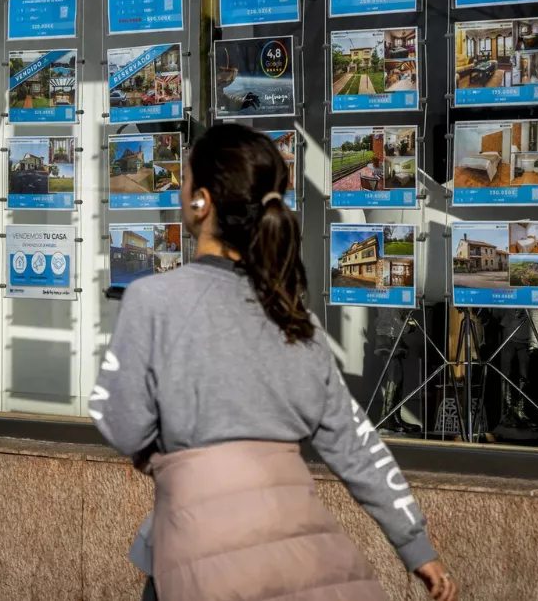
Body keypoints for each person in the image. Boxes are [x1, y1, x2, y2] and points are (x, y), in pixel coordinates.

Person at [90, 124, 457, 601]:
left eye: (181, 178)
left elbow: (119, 421)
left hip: (196, 553)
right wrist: (416, 545)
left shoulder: (154, 299)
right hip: (302, 558)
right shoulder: (295, 320)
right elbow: (355, 444)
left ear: (200, 202)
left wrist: (167, 455)